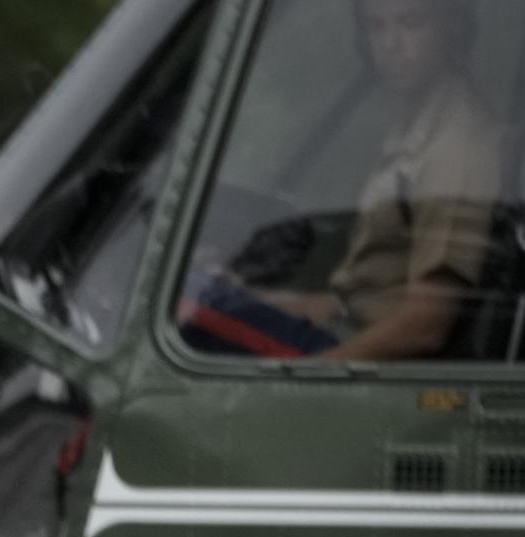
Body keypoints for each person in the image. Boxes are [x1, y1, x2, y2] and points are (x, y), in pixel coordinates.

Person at [185, 0, 499, 361]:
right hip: (345, 326)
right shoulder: (418, 125)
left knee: (188, 302)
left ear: (451, 27)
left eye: (412, 23)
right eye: (376, 27)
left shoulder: (454, 145)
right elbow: (374, 291)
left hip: (358, 361)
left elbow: (425, 325)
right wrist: (282, 303)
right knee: (206, 288)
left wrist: (316, 374)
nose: (391, 44)